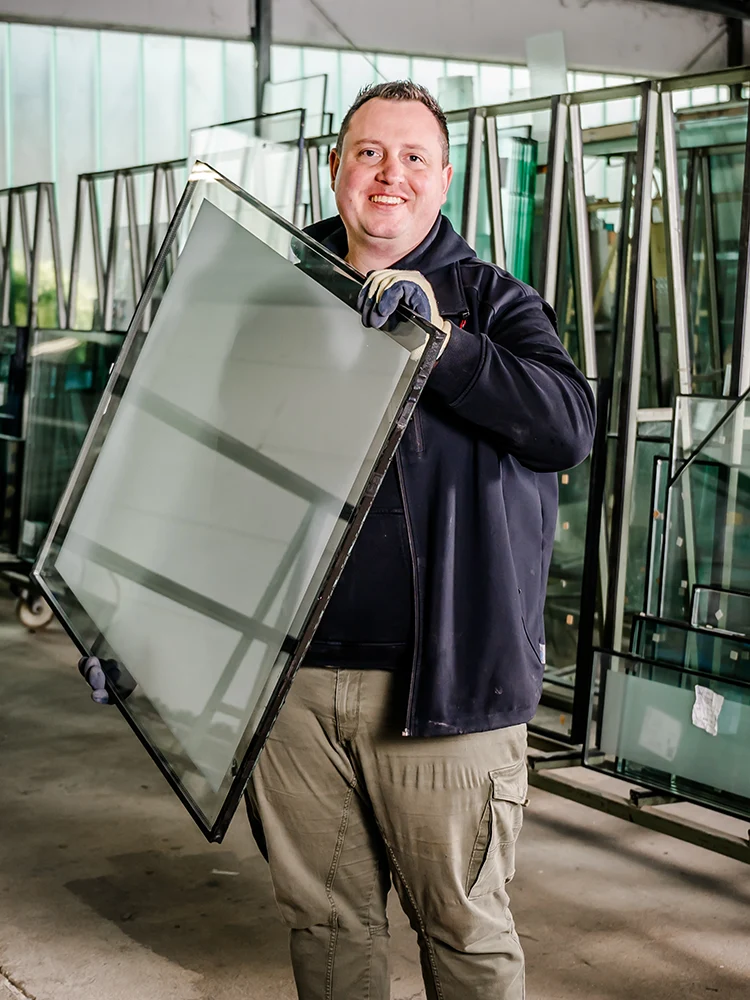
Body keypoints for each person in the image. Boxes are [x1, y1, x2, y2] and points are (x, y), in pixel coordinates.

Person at [82, 82, 595, 1000]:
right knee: (325, 930)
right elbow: (204, 471)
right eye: (367, 152)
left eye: (410, 157)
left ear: (444, 180)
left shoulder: (492, 304)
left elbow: (566, 426)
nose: (387, 174)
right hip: (289, 685)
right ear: (335, 167)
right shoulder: (274, 293)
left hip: (444, 695)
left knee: (466, 936)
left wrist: (442, 345)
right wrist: (135, 623)